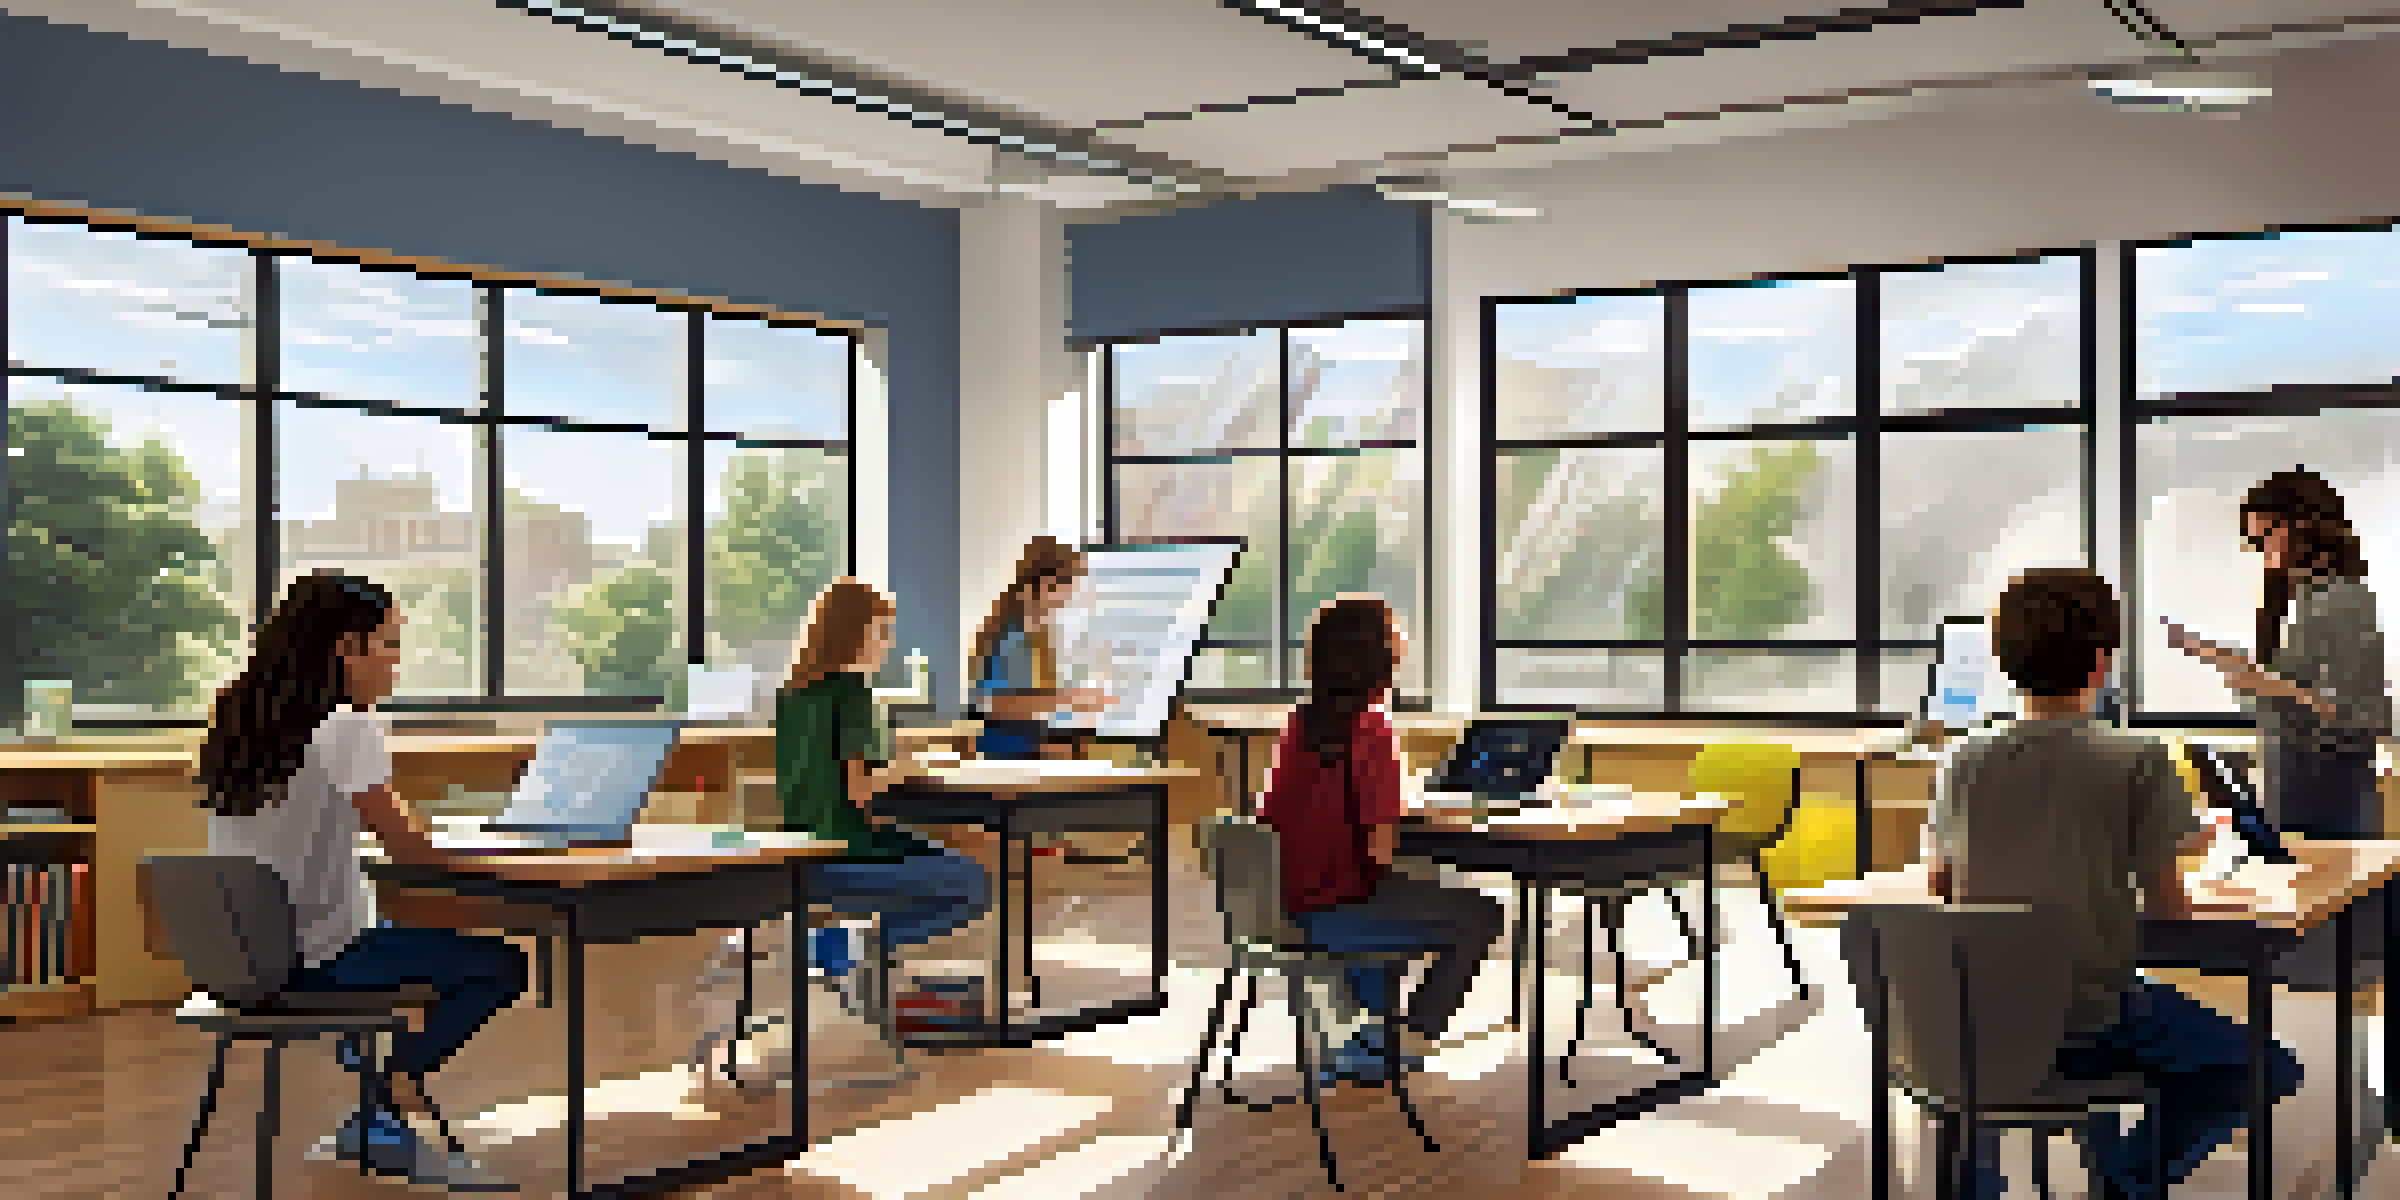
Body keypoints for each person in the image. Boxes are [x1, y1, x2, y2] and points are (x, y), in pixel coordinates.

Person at [1932, 567, 2300, 1200]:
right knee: (2266, 1065)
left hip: (1977, 1024)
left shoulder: (1962, 759)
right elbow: (2167, 908)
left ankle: (2087, 1167)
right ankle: (2127, 1178)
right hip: (2087, 1022)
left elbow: (1945, 881)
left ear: (2004, 659)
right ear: (2104, 661)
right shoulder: (2138, 757)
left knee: (2109, 1000)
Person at [197, 570, 525, 1191]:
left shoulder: (240, 725)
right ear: (346, 647)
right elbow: (407, 847)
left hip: (238, 962)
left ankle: (378, 1113)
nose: (397, 664)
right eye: (390, 644)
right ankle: (383, 1105)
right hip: (313, 965)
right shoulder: (347, 726)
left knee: (399, 931)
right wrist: (491, 850)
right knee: (501, 967)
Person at [1256, 595, 1505, 1084]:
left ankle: (1366, 1033)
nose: (1403, 642)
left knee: (1412, 892)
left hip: (1282, 901)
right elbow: (1379, 850)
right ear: (1377, 653)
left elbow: (1276, 814)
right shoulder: (1372, 726)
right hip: (1331, 909)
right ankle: (1402, 1042)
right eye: (1396, 634)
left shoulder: (1300, 723)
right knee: (1481, 914)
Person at [775, 580, 992, 1038]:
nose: (885, 644)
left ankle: (843, 947)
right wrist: (903, 768)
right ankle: (851, 947)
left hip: (795, 860)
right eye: (880, 632)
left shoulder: (794, 697)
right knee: (974, 883)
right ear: (852, 635)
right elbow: (861, 791)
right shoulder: (855, 694)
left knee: (933, 853)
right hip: (841, 861)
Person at [2165, 468, 2391, 838]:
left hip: (2331, 799)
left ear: (2309, 528)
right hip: (2291, 792)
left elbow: (2360, 715)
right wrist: (2240, 669)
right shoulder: (2299, 601)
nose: (2263, 550)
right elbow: (2289, 699)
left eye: (2268, 534)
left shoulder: (2344, 600)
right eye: (2255, 540)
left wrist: (2267, 684)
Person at [967, 536, 1110, 761]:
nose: (1072, 594)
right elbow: (995, 705)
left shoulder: (1039, 633)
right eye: (1070, 584)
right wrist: (1069, 699)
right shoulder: (1011, 634)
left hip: (1029, 751)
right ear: (1047, 584)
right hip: (1009, 758)